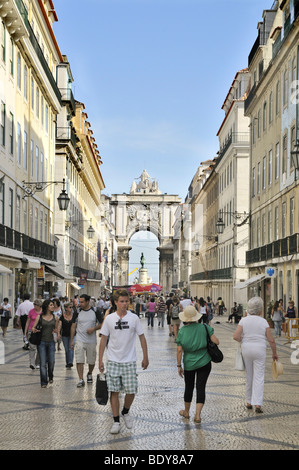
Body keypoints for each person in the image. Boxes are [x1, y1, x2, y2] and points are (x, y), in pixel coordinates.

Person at [99, 289, 149, 434]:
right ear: (116, 302)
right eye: (121, 301)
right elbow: (103, 340)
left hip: (129, 360)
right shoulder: (109, 319)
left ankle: (125, 411)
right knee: (113, 391)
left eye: (126, 301)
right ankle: (115, 421)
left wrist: (145, 357)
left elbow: (142, 337)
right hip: (113, 360)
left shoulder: (134, 318)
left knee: (132, 390)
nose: (124, 304)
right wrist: (100, 360)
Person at [233, 297, 278, 413]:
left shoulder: (243, 320)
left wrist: (243, 340)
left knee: (249, 375)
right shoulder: (263, 321)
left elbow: (236, 336)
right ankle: (257, 404)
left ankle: (248, 402)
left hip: (246, 349)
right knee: (259, 377)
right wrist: (274, 353)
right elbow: (271, 340)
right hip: (260, 350)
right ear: (260, 310)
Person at [176, 305, 219, 424]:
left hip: (189, 363)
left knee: (188, 387)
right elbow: (216, 341)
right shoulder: (205, 327)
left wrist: (179, 366)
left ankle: (186, 412)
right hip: (204, 362)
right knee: (201, 387)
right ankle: (198, 415)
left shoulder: (182, 331)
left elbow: (179, 350)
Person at [70, 294, 102, 387]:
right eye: (80, 302)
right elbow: (73, 326)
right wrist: (72, 340)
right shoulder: (77, 311)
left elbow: (102, 323)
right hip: (80, 339)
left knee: (91, 360)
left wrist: (94, 329)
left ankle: (90, 373)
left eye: (82, 302)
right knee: (79, 359)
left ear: (88, 302)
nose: (80, 304)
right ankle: (80, 379)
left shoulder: (95, 311)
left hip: (91, 340)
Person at [32, 299, 60, 388]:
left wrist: (57, 332)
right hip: (42, 342)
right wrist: (34, 330)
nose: (53, 306)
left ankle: (50, 375)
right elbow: (33, 328)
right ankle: (44, 382)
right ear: (47, 306)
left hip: (51, 342)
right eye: (51, 305)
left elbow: (56, 329)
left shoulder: (55, 317)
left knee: (51, 362)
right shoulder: (39, 317)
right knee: (43, 363)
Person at [24, 299, 42, 369]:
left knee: (39, 348)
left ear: (39, 306)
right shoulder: (31, 311)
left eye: (35, 305)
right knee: (32, 347)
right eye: (34, 304)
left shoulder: (43, 312)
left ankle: (37, 362)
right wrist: (25, 332)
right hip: (31, 331)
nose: (34, 306)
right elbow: (28, 322)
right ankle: (32, 363)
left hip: (40, 331)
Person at [58, 302, 76, 369]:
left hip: (73, 335)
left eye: (72, 307)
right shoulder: (62, 317)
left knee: (71, 348)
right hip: (65, 335)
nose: (71, 309)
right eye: (70, 307)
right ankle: (67, 362)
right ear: (66, 308)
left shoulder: (74, 316)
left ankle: (70, 362)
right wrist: (58, 333)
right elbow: (59, 325)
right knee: (66, 349)